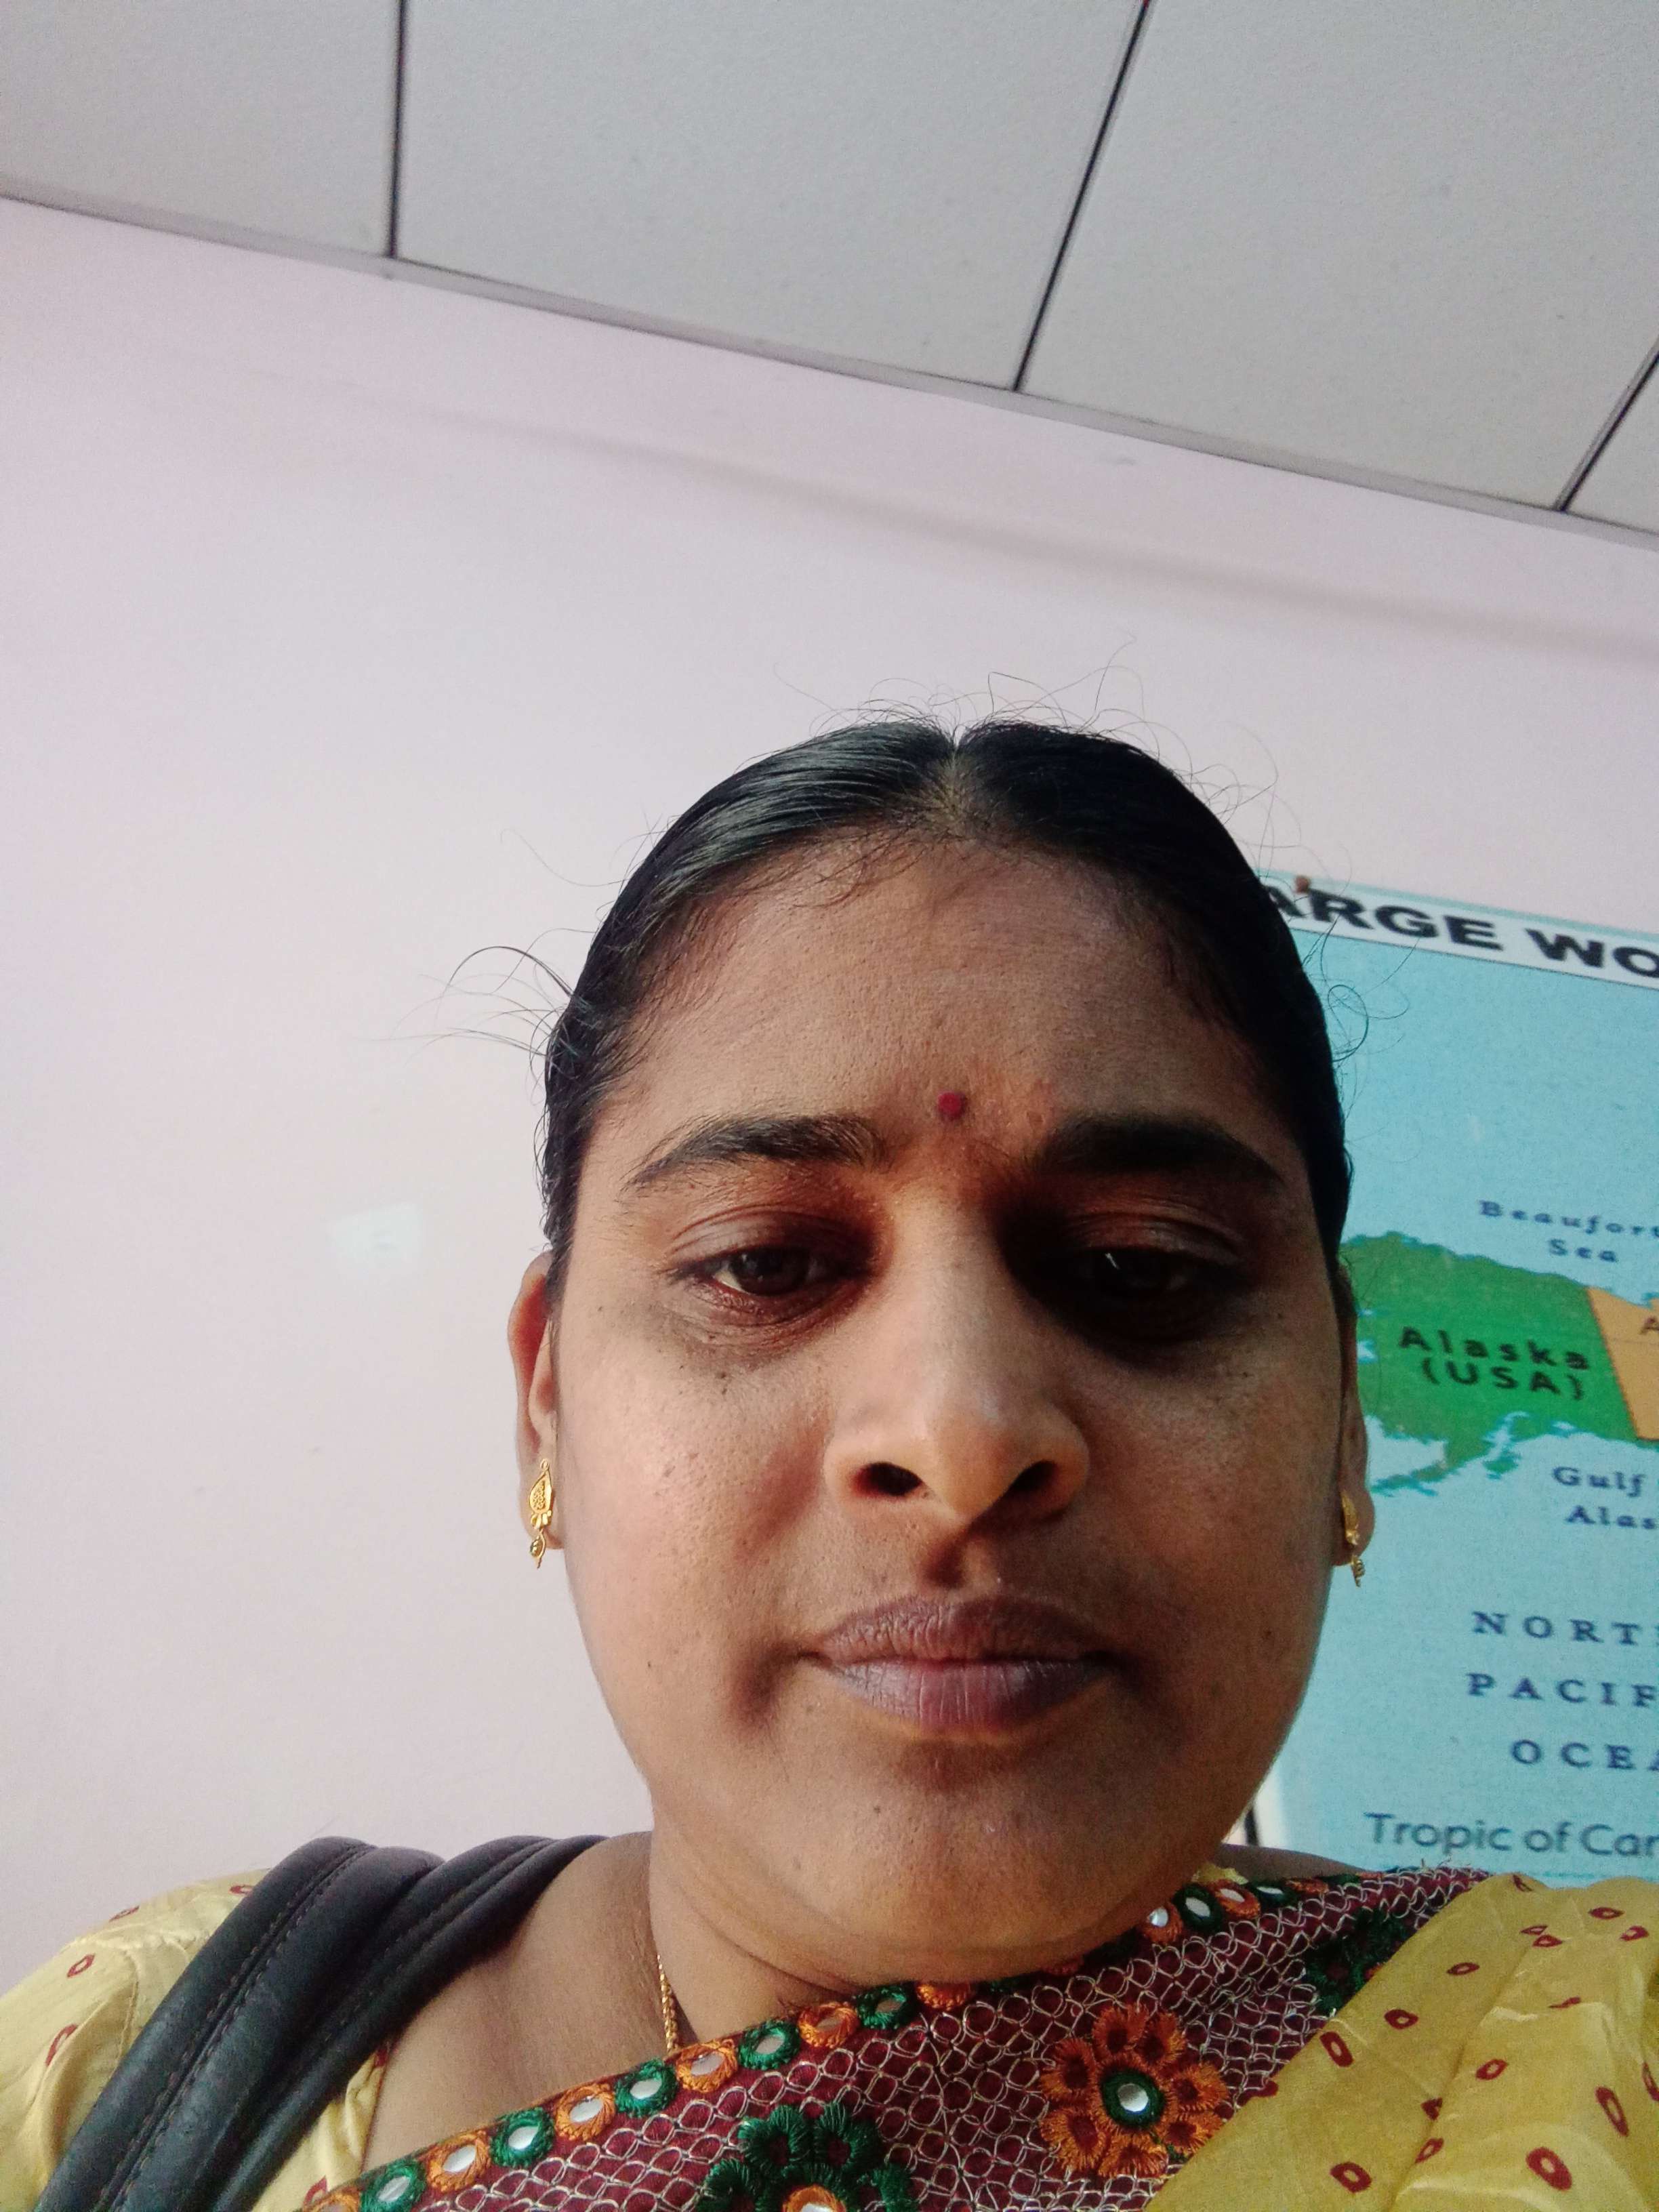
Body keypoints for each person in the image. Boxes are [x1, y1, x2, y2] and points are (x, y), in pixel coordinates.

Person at [4, 717, 1655, 2211]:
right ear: (547, 1408)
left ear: (1347, 1416)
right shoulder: (129, 2070)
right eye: (765, 1265)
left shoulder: (1596, 2056)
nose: (961, 1435)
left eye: (1141, 1266)